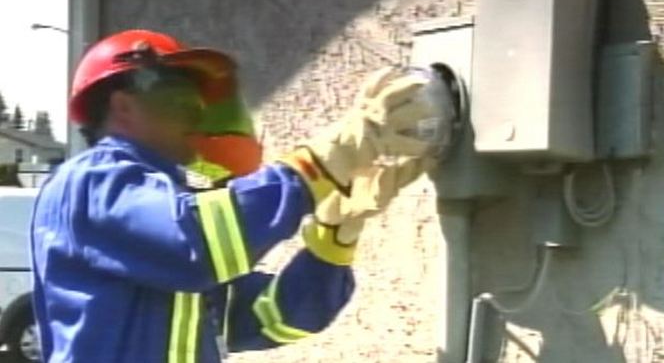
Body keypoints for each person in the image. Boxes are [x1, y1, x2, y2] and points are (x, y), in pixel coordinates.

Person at [30, 29, 436, 363]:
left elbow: (277, 318)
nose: (195, 115)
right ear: (123, 107)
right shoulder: (89, 183)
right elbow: (194, 244)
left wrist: (334, 237)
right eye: (181, 100)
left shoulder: (163, 212)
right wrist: (325, 162)